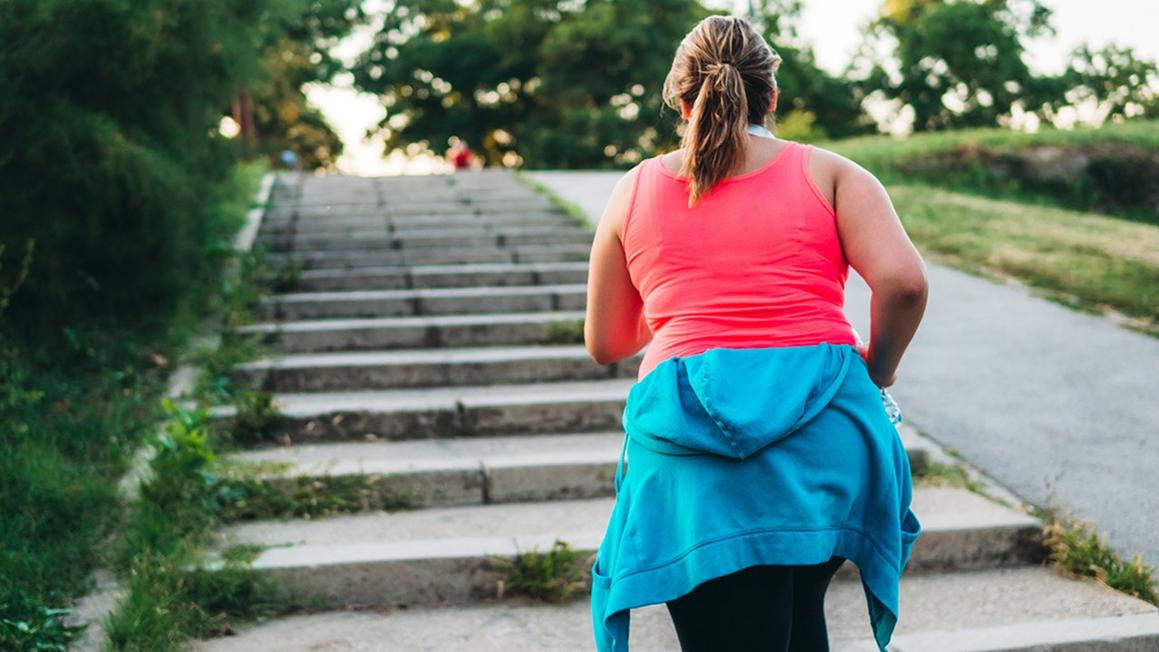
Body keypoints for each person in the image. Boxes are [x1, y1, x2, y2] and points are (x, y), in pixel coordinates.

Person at [585, 15, 928, 652]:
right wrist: (878, 372)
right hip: (829, 441)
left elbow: (606, 340)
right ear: (771, 96)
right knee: (799, 626)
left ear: (681, 102)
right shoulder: (832, 173)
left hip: (699, 470)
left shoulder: (634, 189)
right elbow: (904, 284)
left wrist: (679, 308)